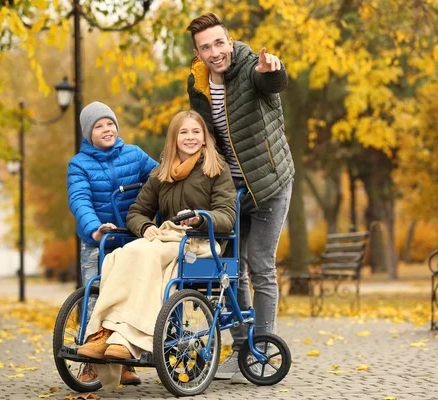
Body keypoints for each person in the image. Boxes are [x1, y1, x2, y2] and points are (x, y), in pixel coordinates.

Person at [76, 110, 236, 390]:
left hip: (199, 241)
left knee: (145, 255)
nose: (190, 137)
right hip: (165, 237)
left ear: (204, 137)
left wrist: (200, 217)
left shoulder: (216, 169)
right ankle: (105, 332)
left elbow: (227, 215)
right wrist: (146, 227)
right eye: (183, 132)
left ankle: (126, 339)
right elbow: (137, 211)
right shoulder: (162, 172)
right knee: (121, 254)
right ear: (174, 138)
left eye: (195, 132)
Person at [185, 13, 294, 384]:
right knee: (231, 269)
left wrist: (273, 69)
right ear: (197, 53)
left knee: (260, 264)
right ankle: (242, 350)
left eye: (219, 43)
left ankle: (262, 347)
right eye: (205, 47)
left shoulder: (250, 66)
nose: (215, 52)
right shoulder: (198, 82)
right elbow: (205, 135)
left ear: (229, 42)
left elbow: (272, 80)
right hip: (231, 192)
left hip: (269, 183)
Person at [67, 101, 158, 386]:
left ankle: (124, 362)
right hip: (99, 241)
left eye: (110, 124)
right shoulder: (79, 164)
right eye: (99, 126)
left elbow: (160, 178)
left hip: (131, 240)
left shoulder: (135, 154)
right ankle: (91, 365)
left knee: (129, 299)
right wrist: (94, 228)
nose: (106, 129)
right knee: (97, 298)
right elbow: (79, 199)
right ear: (88, 133)